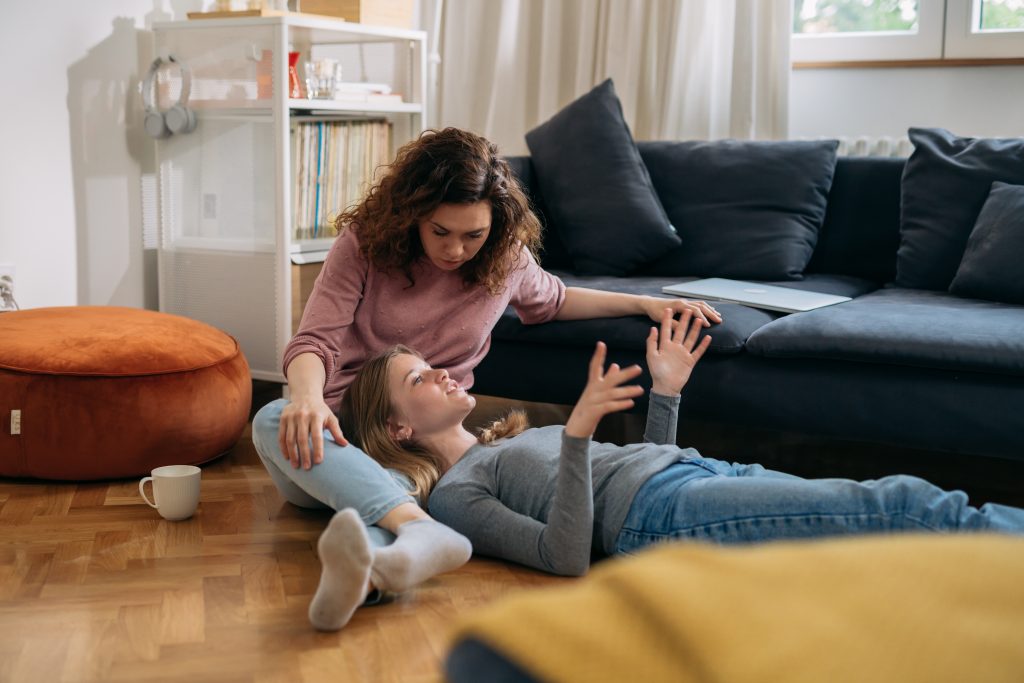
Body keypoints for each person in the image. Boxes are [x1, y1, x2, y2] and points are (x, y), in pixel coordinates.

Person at [250, 127, 722, 628]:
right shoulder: (365, 244)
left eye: (472, 235)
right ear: (412, 214)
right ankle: (416, 527)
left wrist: (647, 303)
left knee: (396, 492)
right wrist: (307, 399)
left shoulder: (505, 257)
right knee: (271, 418)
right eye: (440, 232)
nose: (456, 250)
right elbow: (314, 341)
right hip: (337, 436)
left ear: (494, 226)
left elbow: (554, 300)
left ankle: (373, 572)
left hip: (424, 455)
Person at [337, 308, 1024, 577]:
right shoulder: (457, 496)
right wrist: (577, 435)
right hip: (666, 514)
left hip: (691, 475)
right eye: (420, 377)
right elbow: (568, 554)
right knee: (900, 506)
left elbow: (643, 462)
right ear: (399, 428)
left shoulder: (513, 434)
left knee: (894, 528)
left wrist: (666, 394)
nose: (444, 371)